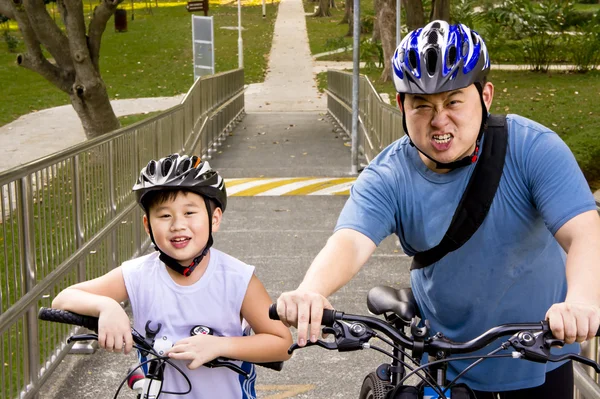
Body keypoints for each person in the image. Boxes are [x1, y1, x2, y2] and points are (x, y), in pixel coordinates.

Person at [275, 20, 600, 398]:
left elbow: (584, 232)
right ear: (401, 105)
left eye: (454, 101)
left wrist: (580, 302)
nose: (439, 119)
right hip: (448, 363)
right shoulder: (388, 175)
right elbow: (349, 241)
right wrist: (310, 291)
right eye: (422, 104)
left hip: (541, 357)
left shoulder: (534, 149)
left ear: (486, 96)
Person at [53, 154, 292, 399]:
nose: (177, 224)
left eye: (190, 213)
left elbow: (281, 343)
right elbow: (64, 298)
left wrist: (220, 345)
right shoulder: (138, 275)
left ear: (215, 218)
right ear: (148, 225)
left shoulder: (236, 278)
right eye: (164, 215)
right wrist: (106, 307)